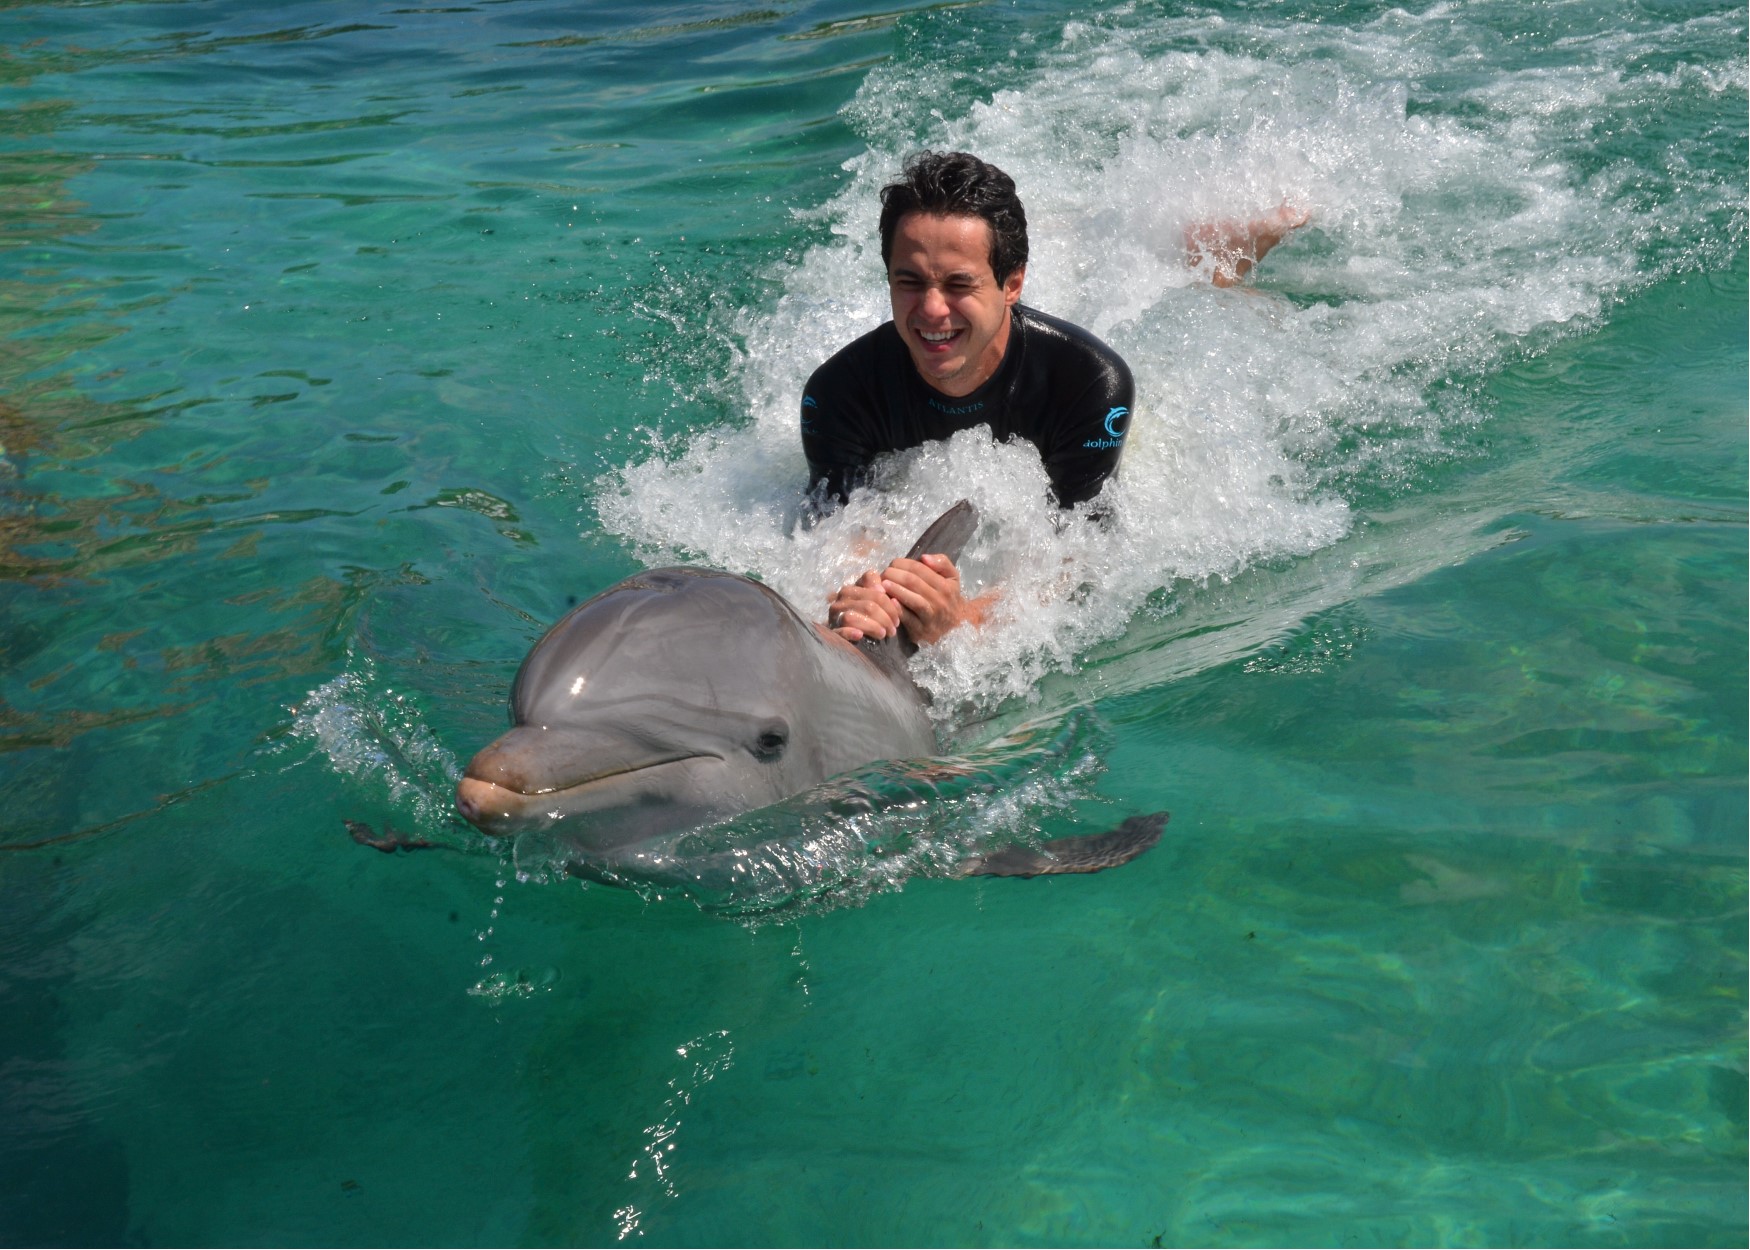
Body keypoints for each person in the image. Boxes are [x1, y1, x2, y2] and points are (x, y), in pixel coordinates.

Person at [804, 150, 1302, 648]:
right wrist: (857, 595)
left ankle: (1218, 259)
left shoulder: (1089, 385)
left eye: (959, 284)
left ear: (1012, 283)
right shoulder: (840, 393)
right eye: (908, 282)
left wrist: (962, 623)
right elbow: (840, 535)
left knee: (1192, 289)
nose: (931, 310)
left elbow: (1075, 572)